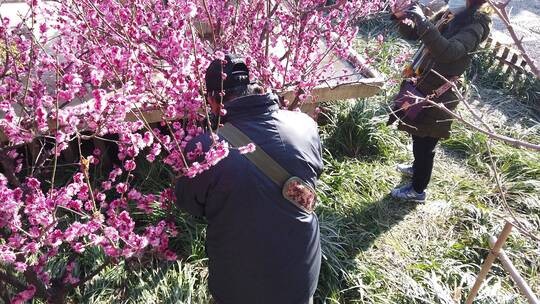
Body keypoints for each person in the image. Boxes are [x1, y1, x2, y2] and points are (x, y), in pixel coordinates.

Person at [175, 54, 323, 304]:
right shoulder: (304, 124)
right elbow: (316, 171)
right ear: (253, 88)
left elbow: (189, 204)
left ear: (212, 100)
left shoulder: (204, 149)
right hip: (300, 275)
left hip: (237, 285)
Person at [388, 0, 492, 202]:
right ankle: (418, 168)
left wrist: (422, 20)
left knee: (426, 142)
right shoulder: (449, 15)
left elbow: (449, 52)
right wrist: (403, 18)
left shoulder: (476, 26)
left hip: (440, 93)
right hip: (424, 83)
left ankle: (418, 190)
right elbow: (416, 34)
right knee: (417, 133)